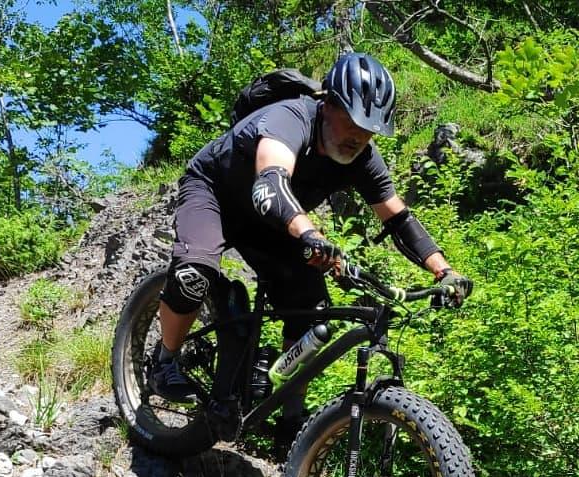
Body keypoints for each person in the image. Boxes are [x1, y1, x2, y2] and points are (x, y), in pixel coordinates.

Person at [152, 52, 472, 433]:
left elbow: (399, 219)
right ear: (328, 105)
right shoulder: (289, 119)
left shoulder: (362, 157)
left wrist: (444, 270)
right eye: (353, 121)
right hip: (216, 195)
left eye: (370, 130)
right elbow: (269, 186)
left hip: (271, 222)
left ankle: (289, 418)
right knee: (194, 275)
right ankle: (164, 360)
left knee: (311, 311)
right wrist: (312, 235)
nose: (359, 136)